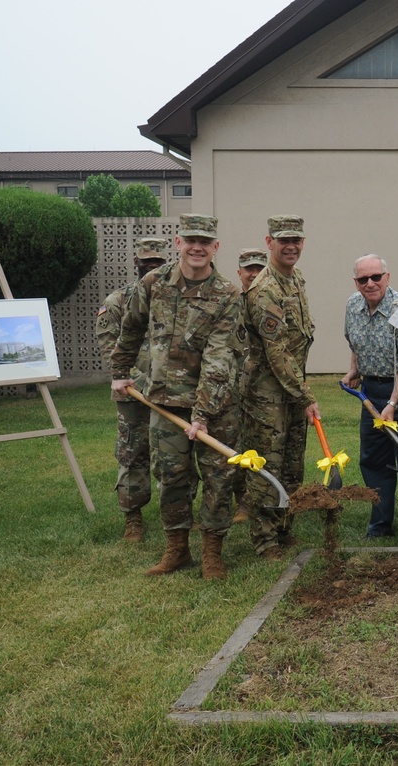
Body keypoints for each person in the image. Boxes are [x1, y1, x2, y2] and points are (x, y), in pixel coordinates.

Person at [110, 215, 243, 580]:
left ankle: (212, 552)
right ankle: (178, 550)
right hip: (165, 402)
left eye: (205, 241)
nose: (197, 246)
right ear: (177, 241)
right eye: (190, 239)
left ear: (216, 247)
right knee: (171, 476)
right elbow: (131, 327)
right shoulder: (155, 283)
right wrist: (120, 373)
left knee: (218, 477)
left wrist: (201, 414)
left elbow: (219, 357)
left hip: (215, 405)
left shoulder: (228, 294)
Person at [242, 215, 318, 560]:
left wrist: (299, 391)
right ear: (269, 241)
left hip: (291, 387)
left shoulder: (296, 278)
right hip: (267, 393)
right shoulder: (265, 289)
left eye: (296, 240)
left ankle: (284, 528)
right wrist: (304, 394)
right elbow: (276, 352)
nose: (291, 246)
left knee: (292, 462)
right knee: (266, 464)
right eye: (283, 240)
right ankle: (264, 539)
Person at [342, 254, 398, 543]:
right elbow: (354, 341)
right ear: (356, 283)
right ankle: (379, 524)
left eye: (376, 277)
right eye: (363, 279)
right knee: (374, 459)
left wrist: (393, 403)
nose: (370, 284)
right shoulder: (353, 306)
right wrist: (354, 370)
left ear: (387, 277)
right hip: (371, 391)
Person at [95, 237, 168, 541]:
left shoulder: (172, 303)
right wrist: (143, 384)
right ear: (136, 264)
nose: (152, 269)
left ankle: (175, 513)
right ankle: (133, 517)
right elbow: (110, 349)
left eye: (158, 264)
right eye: (146, 263)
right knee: (132, 453)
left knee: (171, 455)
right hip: (132, 394)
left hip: (168, 393)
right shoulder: (117, 302)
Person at [231, 247, 269, 526]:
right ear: (240, 272)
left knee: (260, 443)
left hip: (262, 387)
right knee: (235, 444)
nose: (253, 274)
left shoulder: (270, 300)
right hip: (232, 388)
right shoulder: (229, 302)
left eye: (259, 268)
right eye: (248, 269)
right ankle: (240, 499)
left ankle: (258, 498)